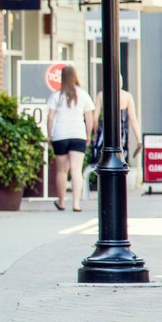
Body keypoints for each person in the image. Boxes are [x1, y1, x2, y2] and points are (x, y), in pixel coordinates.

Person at [46, 65, 95, 212]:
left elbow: (50, 118)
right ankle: (76, 203)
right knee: (76, 170)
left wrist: (50, 135)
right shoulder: (83, 95)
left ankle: (61, 202)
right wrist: (88, 134)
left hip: (60, 135)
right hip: (78, 135)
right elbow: (89, 117)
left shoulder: (56, 95)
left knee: (61, 171)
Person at [92, 75, 142, 160]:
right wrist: (138, 139)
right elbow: (133, 119)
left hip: (105, 131)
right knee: (120, 160)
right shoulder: (127, 96)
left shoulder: (101, 94)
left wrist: (96, 134)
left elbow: (95, 118)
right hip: (121, 132)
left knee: (101, 160)